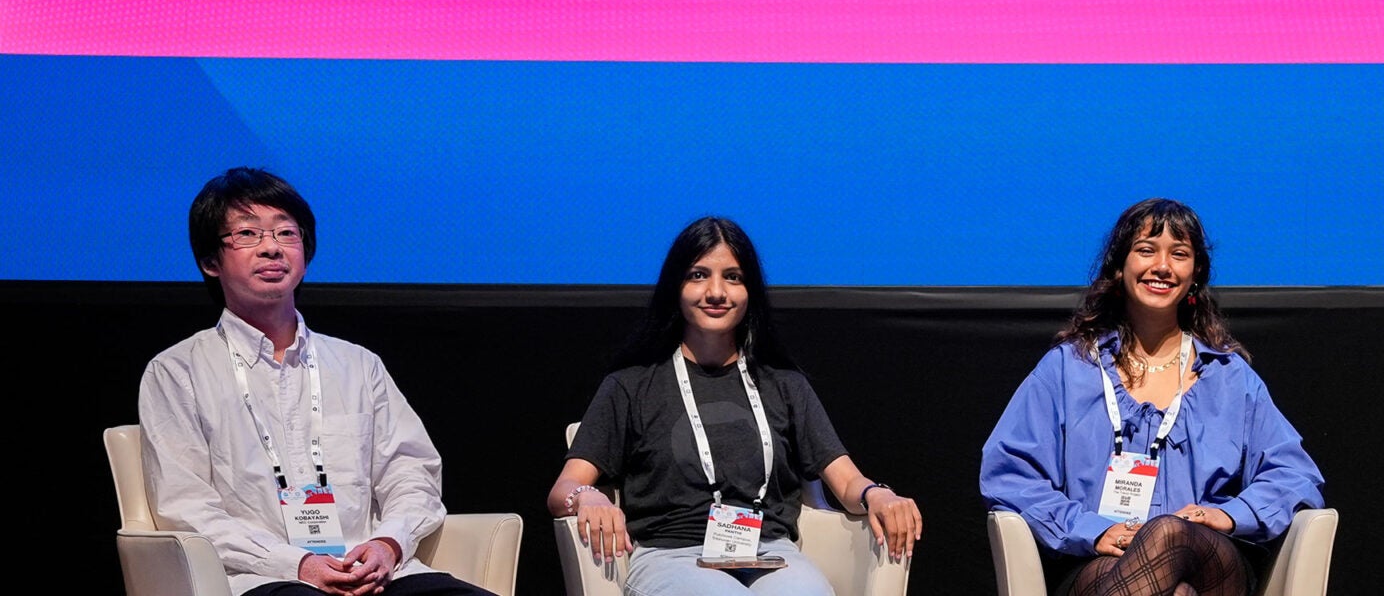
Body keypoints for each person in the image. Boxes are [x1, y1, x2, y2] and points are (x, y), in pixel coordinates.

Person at [138, 167, 493, 596]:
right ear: (210, 261)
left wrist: (388, 543)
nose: (271, 249)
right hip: (262, 578)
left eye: (287, 234)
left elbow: (410, 471)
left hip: (378, 576)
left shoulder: (358, 365)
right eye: (248, 234)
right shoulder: (178, 372)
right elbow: (187, 506)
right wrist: (298, 563)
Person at [547, 216, 922, 595]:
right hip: (671, 555)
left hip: (770, 553)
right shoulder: (630, 385)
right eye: (697, 275)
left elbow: (846, 481)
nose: (715, 292)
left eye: (733, 276)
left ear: (750, 291)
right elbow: (564, 488)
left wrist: (879, 493)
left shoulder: (785, 384)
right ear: (675, 286)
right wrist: (586, 495)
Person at [981, 198, 1325, 596]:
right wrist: (1092, 530)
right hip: (1096, 561)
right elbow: (1010, 474)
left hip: (1212, 562)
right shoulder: (1067, 369)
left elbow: (1296, 476)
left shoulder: (1230, 377)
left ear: (1195, 273)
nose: (1162, 266)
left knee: (1170, 533)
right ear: (1119, 264)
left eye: (1179, 254)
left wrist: (1226, 516)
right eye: (1146, 250)